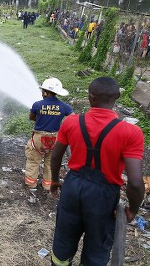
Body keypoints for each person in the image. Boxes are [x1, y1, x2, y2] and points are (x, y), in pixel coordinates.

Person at [50, 77, 145, 266]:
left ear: (90, 97)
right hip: (103, 197)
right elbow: (135, 182)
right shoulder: (131, 133)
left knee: (62, 245)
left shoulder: (71, 122)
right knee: (97, 250)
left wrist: (54, 180)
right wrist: (132, 210)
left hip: (72, 189)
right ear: (117, 96)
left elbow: (55, 156)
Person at [25, 77, 73, 190]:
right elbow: (73, 118)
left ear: (45, 92)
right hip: (56, 139)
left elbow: (32, 117)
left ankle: (31, 184)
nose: (42, 93)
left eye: (43, 91)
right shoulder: (64, 106)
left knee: (33, 160)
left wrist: (43, 119)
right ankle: (47, 185)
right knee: (51, 162)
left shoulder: (37, 104)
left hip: (38, 138)